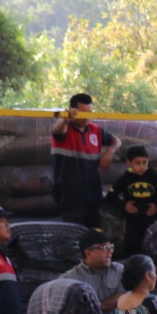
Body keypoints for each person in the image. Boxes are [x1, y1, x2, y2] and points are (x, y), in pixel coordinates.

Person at [51, 93, 118, 228]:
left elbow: (117, 140)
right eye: (82, 113)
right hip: (69, 196)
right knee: (75, 235)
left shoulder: (95, 130)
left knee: (94, 236)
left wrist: (109, 152)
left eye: (89, 112)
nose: (86, 117)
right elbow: (57, 130)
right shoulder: (64, 129)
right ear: (73, 111)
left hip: (92, 194)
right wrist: (65, 119)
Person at [108, 146, 157, 257]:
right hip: (132, 221)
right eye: (137, 163)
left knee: (153, 246)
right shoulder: (125, 179)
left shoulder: (154, 177)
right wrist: (124, 205)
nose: (142, 166)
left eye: (144, 162)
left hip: (151, 219)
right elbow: (111, 196)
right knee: (132, 247)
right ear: (129, 163)